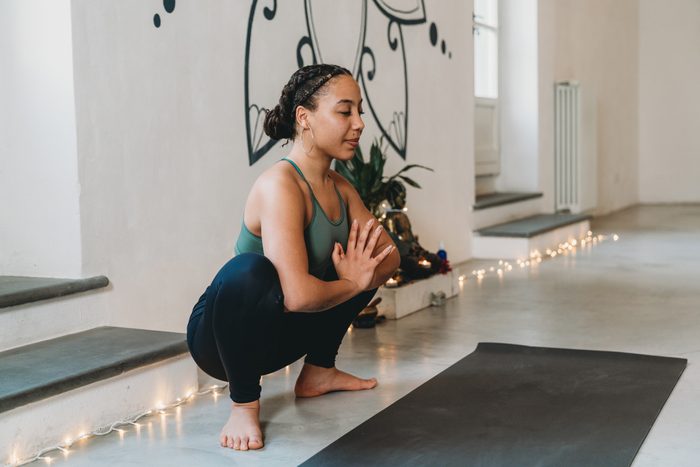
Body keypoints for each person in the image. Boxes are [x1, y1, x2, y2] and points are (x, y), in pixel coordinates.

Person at [186, 63, 401, 451]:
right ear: (304, 117)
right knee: (248, 271)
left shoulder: (341, 188)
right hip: (222, 343)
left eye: (360, 111)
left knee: (364, 260)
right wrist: (351, 282)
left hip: (282, 336)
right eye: (345, 111)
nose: (359, 124)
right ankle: (243, 403)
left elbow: (389, 257)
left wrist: (358, 275)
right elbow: (298, 296)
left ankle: (318, 372)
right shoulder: (279, 185)